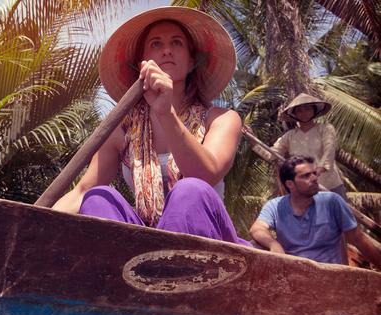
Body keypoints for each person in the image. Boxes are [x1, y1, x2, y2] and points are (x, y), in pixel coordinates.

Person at [52, 7, 250, 246]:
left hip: (208, 242)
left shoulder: (220, 118)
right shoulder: (122, 128)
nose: (166, 50)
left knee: (190, 191)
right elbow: (82, 191)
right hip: (144, 245)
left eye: (177, 43)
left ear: (191, 62)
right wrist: (34, 222)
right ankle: (127, 273)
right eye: (156, 44)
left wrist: (165, 112)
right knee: (99, 197)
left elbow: (205, 174)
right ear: (142, 64)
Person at [250, 156, 381, 267]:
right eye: (306, 176)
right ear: (290, 184)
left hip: (331, 277)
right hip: (294, 275)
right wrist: (273, 244)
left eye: (314, 173)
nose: (314, 178)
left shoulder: (332, 202)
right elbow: (257, 229)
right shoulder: (275, 206)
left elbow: (358, 238)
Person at [272, 93, 347, 199]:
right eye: (299, 111)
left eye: (307, 109)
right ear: (294, 114)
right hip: (306, 188)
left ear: (314, 110)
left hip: (330, 185)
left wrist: (319, 169)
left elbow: (329, 150)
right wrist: (253, 141)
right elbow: (272, 153)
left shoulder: (325, 129)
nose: (304, 113)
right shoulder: (290, 136)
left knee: (339, 214)